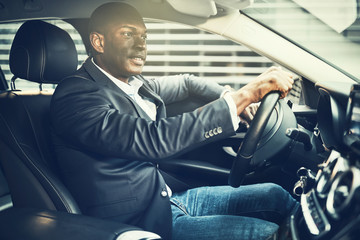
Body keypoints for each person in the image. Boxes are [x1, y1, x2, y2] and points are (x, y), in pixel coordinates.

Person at [50, 2, 298, 240]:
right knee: (267, 235)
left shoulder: (133, 83)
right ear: (98, 42)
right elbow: (152, 139)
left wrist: (229, 97)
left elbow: (186, 82)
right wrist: (244, 96)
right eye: (128, 34)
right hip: (136, 222)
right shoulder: (75, 95)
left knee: (275, 195)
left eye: (144, 37)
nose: (141, 45)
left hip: (166, 198)